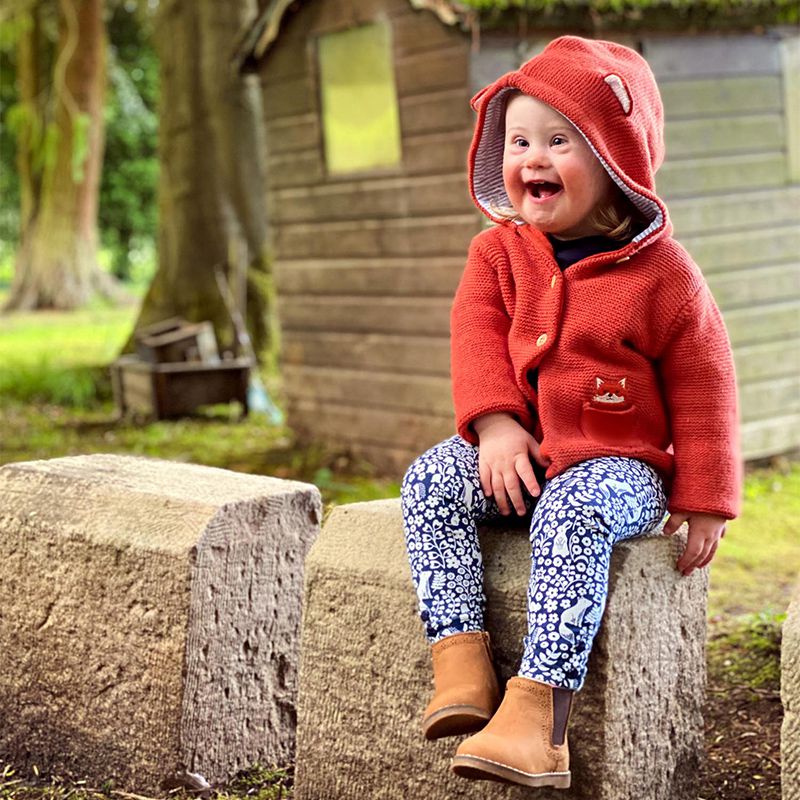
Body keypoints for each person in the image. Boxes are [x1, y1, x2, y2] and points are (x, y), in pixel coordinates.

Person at [400, 35, 741, 790]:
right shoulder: (498, 254)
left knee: (575, 511)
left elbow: (704, 383)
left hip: (622, 468)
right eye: (519, 141)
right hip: (524, 456)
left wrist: (707, 500)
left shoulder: (663, 276)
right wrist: (493, 423)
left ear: (617, 161)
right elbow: (476, 337)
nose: (532, 159)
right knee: (429, 482)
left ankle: (541, 716)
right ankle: (462, 663)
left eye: (560, 141)